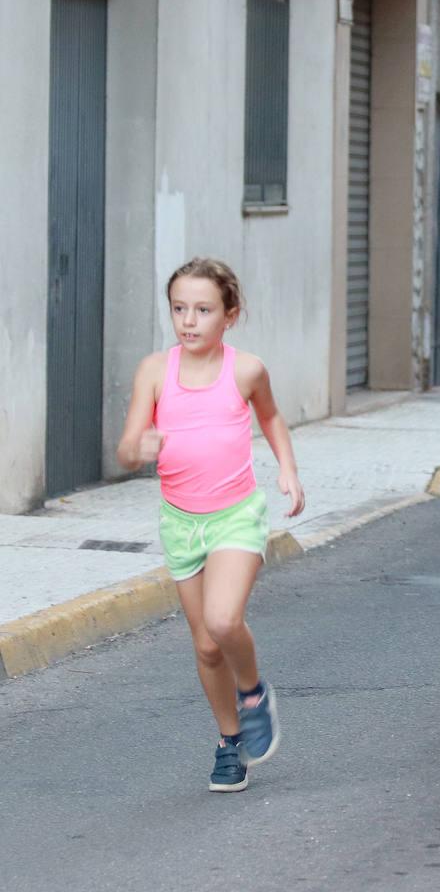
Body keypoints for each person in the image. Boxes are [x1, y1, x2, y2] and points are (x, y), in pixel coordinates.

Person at [116, 257, 303, 793]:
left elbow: (269, 416)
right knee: (204, 646)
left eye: (203, 310)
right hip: (180, 522)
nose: (189, 321)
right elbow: (128, 446)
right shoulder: (155, 371)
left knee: (224, 621)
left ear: (230, 316)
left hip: (235, 515)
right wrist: (138, 448)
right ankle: (230, 744)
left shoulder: (245, 370)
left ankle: (252, 694)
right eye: (179, 309)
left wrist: (287, 469)